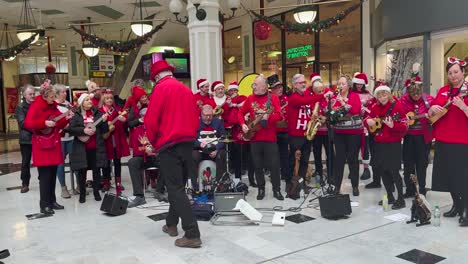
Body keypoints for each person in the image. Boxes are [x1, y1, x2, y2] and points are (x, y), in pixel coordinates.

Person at [145, 60, 201, 248]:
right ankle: (171, 224)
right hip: (187, 144)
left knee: (175, 189)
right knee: (178, 186)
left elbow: (151, 121)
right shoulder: (186, 89)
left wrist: (153, 142)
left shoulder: (160, 89)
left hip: (169, 144)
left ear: (157, 76)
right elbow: (196, 117)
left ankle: (192, 233)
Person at [429, 57, 468, 226]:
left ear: (463, 72)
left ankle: (465, 209)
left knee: (462, 177)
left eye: (456, 72)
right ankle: (457, 206)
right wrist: (432, 109)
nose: (453, 76)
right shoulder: (443, 91)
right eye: (450, 73)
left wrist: (464, 107)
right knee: (448, 176)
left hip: (462, 142)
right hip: (443, 140)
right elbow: (432, 115)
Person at [24, 79, 72, 214]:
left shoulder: (53, 106)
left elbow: (59, 123)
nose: (54, 99)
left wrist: (66, 118)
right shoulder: (36, 106)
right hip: (42, 146)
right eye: (51, 97)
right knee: (45, 177)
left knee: (52, 175)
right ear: (44, 96)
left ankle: (52, 201)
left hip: (53, 144)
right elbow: (28, 124)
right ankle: (44, 204)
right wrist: (44, 123)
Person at [239, 75, 283, 201]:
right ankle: (261, 189)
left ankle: (277, 189)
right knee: (258, 165)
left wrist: (268, 117)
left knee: (274, 165)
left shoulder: (273, 98)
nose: (253, 86)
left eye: (255, 84)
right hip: (255, 137)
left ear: (263, 86)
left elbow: (279, 115)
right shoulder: (250, 98)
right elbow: (240, 112)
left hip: (270, 138)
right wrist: (243, 124)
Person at [286, 74, 330, 198]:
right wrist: (321, 95)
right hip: (296, 135)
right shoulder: (293, 97)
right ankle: (291, 185)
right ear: (294, 85)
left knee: (305, 161)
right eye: (300, 83)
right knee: (293, 161)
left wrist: (315, 116)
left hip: (307, 133)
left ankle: (302, 184)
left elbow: (311, 108)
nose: (303, 84)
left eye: (304, 82)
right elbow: (304, 102)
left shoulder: (308, 96)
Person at [365, 85, 408, 209]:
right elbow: (367, 119)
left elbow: (404, 126)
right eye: (379, 95)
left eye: (384, 95)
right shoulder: (375, 107)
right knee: (383, 171)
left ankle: (400, 199)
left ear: (389, 95)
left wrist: (393, 125)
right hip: (379, 143)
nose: (382, 98)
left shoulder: (397, 106)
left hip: (393, 144)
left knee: (394, 171)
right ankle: (390, 196)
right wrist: (368, 122)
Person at [68, 93, 109, 203]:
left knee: (96, 171)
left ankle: (96, 192)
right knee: (82, 172)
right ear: (81, 103)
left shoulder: (98, 113)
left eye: (90, 100)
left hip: (96, 147)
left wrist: (104, 122)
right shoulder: (77, 115)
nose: (90, 101)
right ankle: (82, 193)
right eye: (86, 100)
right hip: (81, 148)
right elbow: (70, 129)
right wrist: (83, 131)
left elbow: (105, 131)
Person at [329, 76, 363, 196]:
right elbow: (331, 112)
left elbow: (356, 110)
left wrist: (343, 102)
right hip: (339, 133)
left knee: (353, 159)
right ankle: (337, 187)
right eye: (339, 84)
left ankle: (355, 186)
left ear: (348, 85)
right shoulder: (334, 97)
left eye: (343, 83)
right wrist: (331, 107)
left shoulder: (354, 96)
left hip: (354, 132)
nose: (340, 86)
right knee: (339, 160)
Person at [400, 81, 433, 197]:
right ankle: (410, 189)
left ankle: (422, 188)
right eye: (413, 93)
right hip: (409, 137)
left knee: (422, 164)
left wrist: (430, 116)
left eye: (418, 93)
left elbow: (434, 116)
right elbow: (399, 115)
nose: (415, 95)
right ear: (408, 92)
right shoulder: (403, 100)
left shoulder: (428, 100)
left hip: (423, 138)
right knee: (408, 165)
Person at [225, 82, 256, 186]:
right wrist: (232, 107)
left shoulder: (244, 98)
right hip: (237, 135)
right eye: (231, 91)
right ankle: (238, 180)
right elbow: (232, 120)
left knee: (251, 158)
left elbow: (250, 111)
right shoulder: (229, 104)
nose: (233, 92)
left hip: (248, 133)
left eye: (235, 90)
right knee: (237, 159)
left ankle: (252, 179)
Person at [99, 89, 130, 195]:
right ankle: (106, 182)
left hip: (117, 138)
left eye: (111, 98)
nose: (109, 100)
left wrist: (124, 120)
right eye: (107, 98)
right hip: (106, 139)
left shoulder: (118, 109)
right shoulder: (100, 111)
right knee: (106, 162)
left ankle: (118, 182)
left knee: (117, 161)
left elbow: (126, 118)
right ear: (103, 99)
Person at [192, 105, 226, 190]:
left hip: (214, 150)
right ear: (201, 114)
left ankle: (219, 185)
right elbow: (191, 139)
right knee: (193, 156)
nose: (208, 118)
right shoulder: (195, 122)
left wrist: (217, 149)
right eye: (205, 115)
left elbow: (223, 138)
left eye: (210, 115)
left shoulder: (218, 122)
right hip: (200, 150)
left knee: (221, 155)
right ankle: (195, 185)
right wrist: (199, 145)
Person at [309, 79, 333, 185]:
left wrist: (326, 118)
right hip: (316, 132)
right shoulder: (311, 100)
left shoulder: (328, 100)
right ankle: (319, 174)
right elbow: (309, 115)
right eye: (318, 91)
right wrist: (314, 117)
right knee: (317, 154)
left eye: (322, 90)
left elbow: (333, 113)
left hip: (327, 131)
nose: (321, 93)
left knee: (330, 154)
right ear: (314, 91)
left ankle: (330, 174)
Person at [267, 74, 289, 184]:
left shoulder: (286, 98)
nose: (280, 89)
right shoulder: (269, 100)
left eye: (280, 87)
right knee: (274, 156)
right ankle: (274, 174)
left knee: (285, 154)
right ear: (272, 90)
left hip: (284, 131)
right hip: (273, 132)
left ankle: (285, 174)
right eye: (276, 87)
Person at [352, 72, 372, 180]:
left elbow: (372, 110)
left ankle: (366, 169)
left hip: (364, 125)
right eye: (357, 84)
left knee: (365, 148)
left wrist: (366, 107)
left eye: (361, 84)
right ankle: (353, 169)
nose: (359, 86)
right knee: (353, 148)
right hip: (353, 125)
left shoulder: (368, 94)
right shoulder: (351, 94)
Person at [55, 84, 74, 198]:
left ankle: (78, 186)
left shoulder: (69, 104)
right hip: (60, 139)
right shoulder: (54, 106)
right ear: (57, 93)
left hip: (71, 137)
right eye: (62, 92)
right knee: (60, 164)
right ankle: (63, 188)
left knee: (75, 161)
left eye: (65, 91)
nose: (64, 93)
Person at [16, 84, 35, 193]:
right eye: (30, 94)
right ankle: (25, 183)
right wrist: (37, 128)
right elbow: (22, 123)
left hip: (38, 138)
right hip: (26, 139)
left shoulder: (37, 105)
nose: (32, 96)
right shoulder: (20, 107)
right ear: (24, 95)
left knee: (40, 160)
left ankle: (42, 179)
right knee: (25, 162)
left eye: (33, 94)